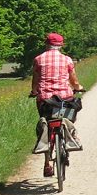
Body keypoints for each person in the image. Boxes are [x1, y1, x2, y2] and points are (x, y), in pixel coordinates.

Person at [30, 33, 84, 177]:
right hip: (64, 98)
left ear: (46, 44)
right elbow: (73, 80)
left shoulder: (38, 59)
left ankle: (47, 162)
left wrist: (34, 91)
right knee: (70, 114)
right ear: (61, 45)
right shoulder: (67, 60)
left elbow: (35, 80)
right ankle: (71, 135)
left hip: (46, 100)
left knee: (46, 122)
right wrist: (78, 87)